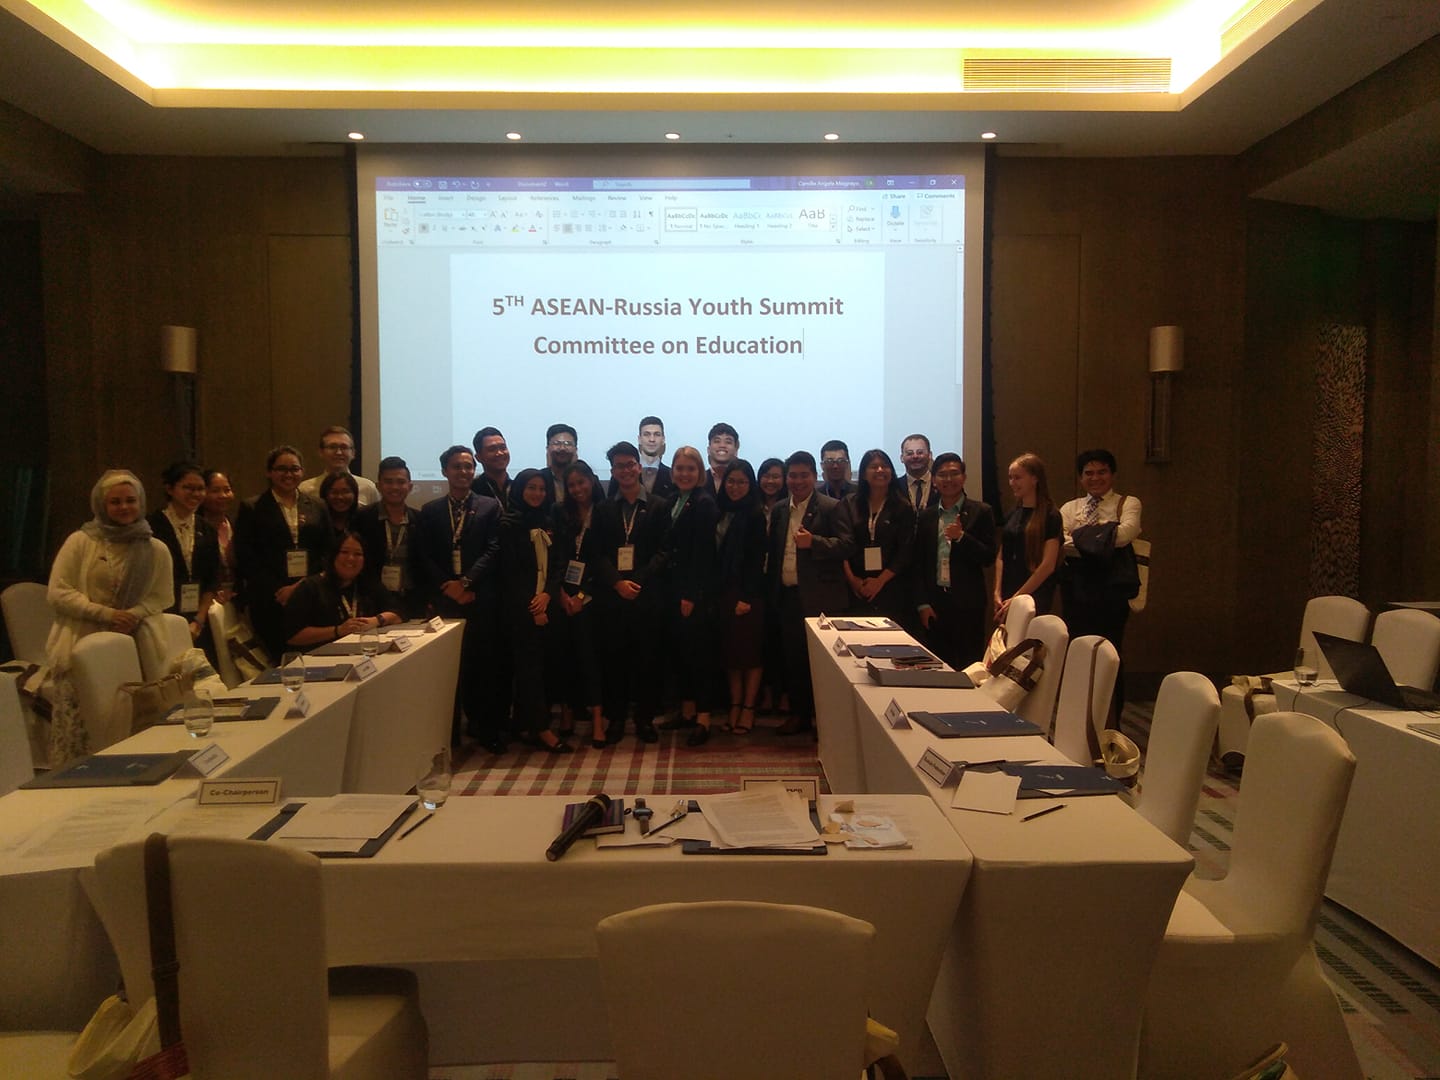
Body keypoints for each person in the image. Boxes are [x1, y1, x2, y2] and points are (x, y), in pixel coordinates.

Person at [45, 470, 174, 764]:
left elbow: (162, 596)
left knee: (131, 727)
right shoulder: (80, 541)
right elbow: (58, 592)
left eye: (130, 500)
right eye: (115, 502)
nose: (124, 507)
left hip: (135, 647)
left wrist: (132, 615)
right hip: (80, 644)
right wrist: (106, 614)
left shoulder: (156, 549)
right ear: (101, 505)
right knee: (81, 732)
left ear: (141, 502)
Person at [416, 445, 503, 752]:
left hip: (478, 598)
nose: (463, 472)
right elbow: (424, 556)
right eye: (457, 467)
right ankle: (449, 736)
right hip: (446, 601)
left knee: (484, 667)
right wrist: (448, 585)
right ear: (444, 471)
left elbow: (494, 549)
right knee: (448, 669)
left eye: (468, 466)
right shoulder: (430, 510)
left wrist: (466, 582)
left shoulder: (490, 506)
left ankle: (486, 730)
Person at [766, 450, 853, 735]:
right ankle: (799, 715)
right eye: (793, 475)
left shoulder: (832, 507)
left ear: (815, 477)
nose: (798, 481)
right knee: (794, 661)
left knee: (824, 664)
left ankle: (825, 722)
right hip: (788, 596)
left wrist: (813, 542)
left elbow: (847, 545)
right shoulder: (780, 509)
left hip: (821, 599)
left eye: (804, 475)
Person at [594, 441, 669, 745]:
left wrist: (636, 581)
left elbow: (664, 551)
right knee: (615, 662)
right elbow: (597, 553)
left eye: (629, 465)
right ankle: (616, 719)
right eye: (618, 467)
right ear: (612, 472)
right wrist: (617, 583)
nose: (625, 471)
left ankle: (644, 720)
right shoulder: (603, 509)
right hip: (613, 598)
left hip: (647, 596)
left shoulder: (659, 506)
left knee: (648, 661)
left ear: (639, 467)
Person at [1059, 449, 1143, 719]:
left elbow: (1126, 534)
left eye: (1102, 472)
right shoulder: (1070, 508)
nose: (1095, 478)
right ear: (1081, 478)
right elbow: (1062, 542)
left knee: (1111, 654)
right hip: (1076, 589)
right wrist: (1104, 535)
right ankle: (1077, 719)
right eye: (1089, 473)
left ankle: (1111, 722)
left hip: (1112, 590)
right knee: (1079, 653)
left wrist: (1080, 536)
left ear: (1113, 474)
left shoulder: (1128, 503)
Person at [497, 468, 571, 753]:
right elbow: (510, 572)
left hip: (547, 603)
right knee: (528, 670)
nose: (537, 493)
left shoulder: (548, 521)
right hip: (521, 608)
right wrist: (533, 605)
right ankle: (541, 730)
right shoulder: (508, 524)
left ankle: (526, 724)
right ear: (519, 490)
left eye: (541, 488)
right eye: (531, 487)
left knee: (543, 667)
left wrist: (547, 595)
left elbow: (559, 563)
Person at [235, 445, 330, 660]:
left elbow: (327, 551)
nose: (289, 474)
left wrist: (302, 586)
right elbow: (247, 557)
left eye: (294, 469)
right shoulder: (252, 507)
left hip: (311, 594)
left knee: (314, 659)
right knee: (278, 660)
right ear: (269, 472)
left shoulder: (318, 506)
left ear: (302, 472)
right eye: (282, 469)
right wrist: (280, 590)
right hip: (271, 599)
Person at [655, 446, 720, 746]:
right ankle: (687, 711)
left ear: (700, 472)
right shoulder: (672, 499)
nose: (684, 474)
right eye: (679, 468)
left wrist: (690, 595)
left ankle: (704, 719)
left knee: (699, 656)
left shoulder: (705, 503)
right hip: (671, 588)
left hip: (694, 592)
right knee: (679, 653)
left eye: (690, 469)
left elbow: (703, 554)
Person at [912, 453, 997, 668]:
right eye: (942, 475)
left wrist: (962, 537)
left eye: (954, 474)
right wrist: (922, 604)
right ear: (934, 479)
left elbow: (988, 557)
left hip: (968, 603)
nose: (948, 479)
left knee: (969, 665)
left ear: (964, 477)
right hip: (935, 603)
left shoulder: (981, 511)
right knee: (937, 665)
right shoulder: (927, 516)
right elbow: (918, 563)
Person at [552, 461, 611, 747]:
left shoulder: (606, 511)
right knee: (564, 656)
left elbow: (604, 559)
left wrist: (581, 596)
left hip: (593, 597)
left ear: (592, 480)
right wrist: (561, 593)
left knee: (591, 659)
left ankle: (598, 720)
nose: (577, 489)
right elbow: (555, 556)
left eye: (581, 482)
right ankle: (567, 713)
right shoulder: (558, 511)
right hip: (562, 594)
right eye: (571, 485)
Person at [713, 459, 768, 735]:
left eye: (742, 482)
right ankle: (734, 704)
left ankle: (748, 707)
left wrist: (746, 597)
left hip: (748, 593)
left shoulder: (755, 514)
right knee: (731, 654)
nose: (735, 487)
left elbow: (757, 560)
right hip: (723, 591)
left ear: (751, 485)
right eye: (731, 482)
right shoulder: (719, 509)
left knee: (750, 654)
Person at [283, 532, 401, 649]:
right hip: (320, 656)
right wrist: (338, 630)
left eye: (358, 554)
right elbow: (292, 636)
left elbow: (398, 614)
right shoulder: (311, 587)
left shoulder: (368, 583)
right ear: (333, 556)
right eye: (344, 552)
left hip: (363, 653)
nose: (351, 558)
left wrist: (377, 620)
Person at [148, 461, 221, 643]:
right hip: (161, 617)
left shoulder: (207, 529)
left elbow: (212, 579)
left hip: (198, 620)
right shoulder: (151, 527)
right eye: (188, 488)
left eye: (200, 489)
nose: (195, 494)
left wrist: (199, 620)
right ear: (170, 489)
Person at [841, 449, 915, 621]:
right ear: (863, 474)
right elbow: (842, 545)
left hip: (890, 586)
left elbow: (905, 551)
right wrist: (853, 581)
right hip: (855, 586)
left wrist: (879, 581)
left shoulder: (902, 507)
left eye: (885, 466)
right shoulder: (849, 503)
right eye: (874, 467)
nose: (880, 470)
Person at [352, 456, 427, 619]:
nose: (395, 487)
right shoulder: (362, 518)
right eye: (388, 482)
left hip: (412, 601)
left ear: (410, 486)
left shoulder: (420, 519)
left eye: (400, 482)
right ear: (378, 486)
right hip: (372, 602)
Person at [994, 452, 1063, 619]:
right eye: (1010, 478)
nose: (1012, 483)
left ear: (1035, 479)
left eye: (1018, 478)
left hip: (1033, 593)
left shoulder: (1050, 515)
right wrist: (997, 591)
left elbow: (1048, 565)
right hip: (1008, 590)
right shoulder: (1013, 513)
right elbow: (1001, 556)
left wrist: (1018, 596)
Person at [297, 425, 379, 507]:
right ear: (321, 452)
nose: (338, 452)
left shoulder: (368, 488)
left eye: (344, 447)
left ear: (353, 453)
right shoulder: (305, 489)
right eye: (332, 447)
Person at [200, 469, 237, 602]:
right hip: (206, 600)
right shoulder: (197, 530)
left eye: (227, 490)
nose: (223, 495)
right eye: (215, 491)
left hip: (235, 598)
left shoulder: (236, 526)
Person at [472, 426, 513, 508]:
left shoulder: (519, 487)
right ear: (478, 457)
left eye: (503, 448)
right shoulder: (472, 490)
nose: (500, 453)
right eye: (492, 449)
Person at [539, 423, 578, 504]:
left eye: (568, 444)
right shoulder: (539, 479)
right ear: (548, 448)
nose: (562, 448)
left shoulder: (588, 480)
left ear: (575, 449)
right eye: (557, 443)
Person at [899, 433, 938, 512]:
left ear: (930, 455)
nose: (915, 456)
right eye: (910, 453)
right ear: (902, 458)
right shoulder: (894, 487)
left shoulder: (941, 484)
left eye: (920, 452)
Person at [319, 471, 360, 545]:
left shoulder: (363, 521)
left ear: (355, 494)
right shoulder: (317, 522)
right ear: (325, 495)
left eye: (346, 492)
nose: (340, 497)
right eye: (334, 492)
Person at [635, 415, 672, 497]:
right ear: (639, 439)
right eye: (646, 434)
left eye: (657, 434)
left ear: (663, 439)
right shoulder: (624, 474)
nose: (652, 439)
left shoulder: (672, 476)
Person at [704, 422, 740, 498]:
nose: (722, 446)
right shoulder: (698, 480)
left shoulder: (744, 481)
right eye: (717, 441)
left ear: (736, 450)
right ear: (708, 449)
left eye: (728, 442)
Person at [756, 457, 787, 522]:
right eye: (766, 476)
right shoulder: (752, 505)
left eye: (775, 477)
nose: (770, 481)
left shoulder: (789, 506)